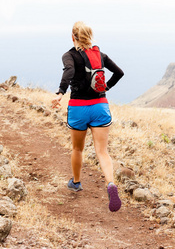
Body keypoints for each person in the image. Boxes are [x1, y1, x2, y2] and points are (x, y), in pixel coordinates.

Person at [52, 21, 124, 212]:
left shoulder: (69, 55)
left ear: (72, 36)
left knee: (77, 149)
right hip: (100, 106)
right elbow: (119, 72)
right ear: (90, 36)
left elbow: (69, 72)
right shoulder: (99, 55)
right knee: (102, 152)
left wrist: (60, 93)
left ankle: (76, 182)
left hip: (78, 108)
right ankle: (110, 184)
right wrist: (106, 87)